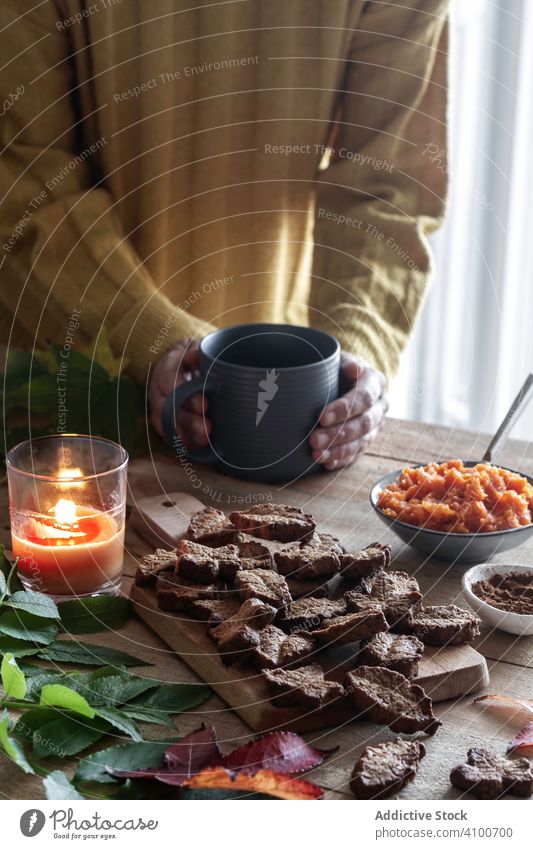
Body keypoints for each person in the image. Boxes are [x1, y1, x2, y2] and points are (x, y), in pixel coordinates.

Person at [0, 0, 448, 469]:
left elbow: (388, 186)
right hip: (58, 399)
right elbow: (22, 177)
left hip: (283, 416)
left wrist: (351, 361)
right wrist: (148, 336)